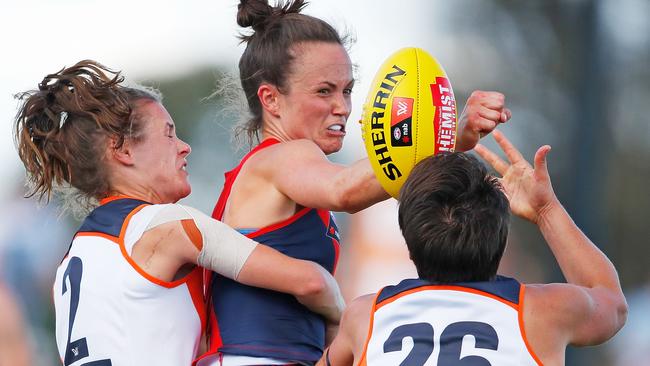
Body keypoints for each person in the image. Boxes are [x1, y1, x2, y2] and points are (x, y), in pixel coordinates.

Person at [198, 0, 512, 365]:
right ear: (271, 99)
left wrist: (451, 138)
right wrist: (451, 134)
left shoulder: (287, 169)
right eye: (324, 91)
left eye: (346, 90)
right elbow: (345, 190)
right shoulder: (281, 157)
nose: (343, 107)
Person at [13, 59, 344, 366]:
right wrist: (340, 317)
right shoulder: (167, 225)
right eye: (169, 133)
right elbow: (310, 282)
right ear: (123, 149)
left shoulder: (69, 261)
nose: (184, 146)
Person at [319, 130, 628, 365]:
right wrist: (546, 212)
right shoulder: (544, 312)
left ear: (409, 245)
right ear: (500, 240)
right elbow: (611, 301)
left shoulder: (364, 317)